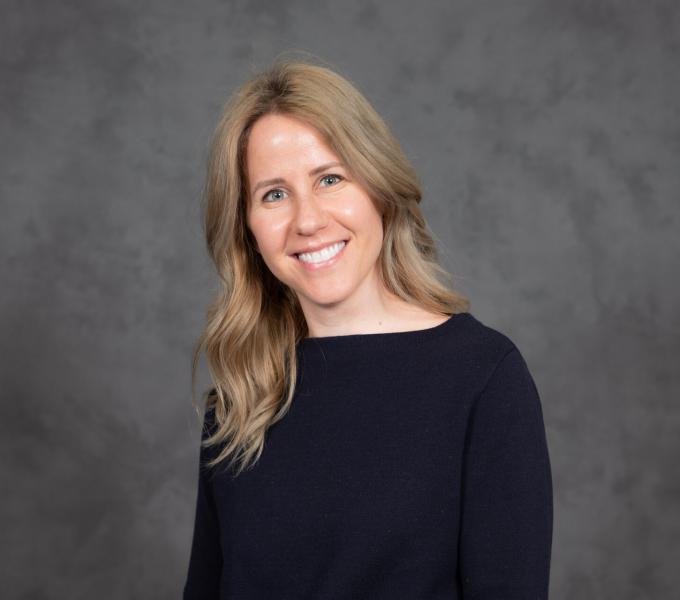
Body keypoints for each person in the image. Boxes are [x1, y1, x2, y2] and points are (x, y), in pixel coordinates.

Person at [183, 57, 553, 599]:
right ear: (248, 228)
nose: (307, 220)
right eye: (274, 194)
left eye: (330, 179)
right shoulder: (242, 392)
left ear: (378, 188)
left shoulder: (482, 377)